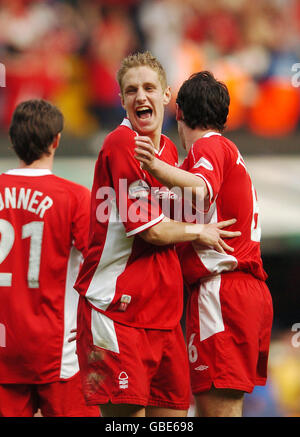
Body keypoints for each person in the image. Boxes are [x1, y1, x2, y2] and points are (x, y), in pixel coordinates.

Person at [73, 52, 240, 417]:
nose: (140, 97)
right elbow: (155, 232)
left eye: (149, 88)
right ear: (121, 100)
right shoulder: (122, 143)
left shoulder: (167, 151)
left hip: (163, 319)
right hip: (117, 313)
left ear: (167, 96)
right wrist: (202, 231)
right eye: (131, 90)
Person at [134, 71, 273, 417]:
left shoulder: (208, 146)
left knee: (218, 412)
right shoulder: (225, 150)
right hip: (236, 292)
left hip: (223, 293)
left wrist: (152, 165)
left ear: (178, 113)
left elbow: (199, 187)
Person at [0, 99, 99, 417]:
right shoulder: (74, 197)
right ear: (56, 140)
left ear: (13, 140)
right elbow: (99, 266)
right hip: (57, 352)